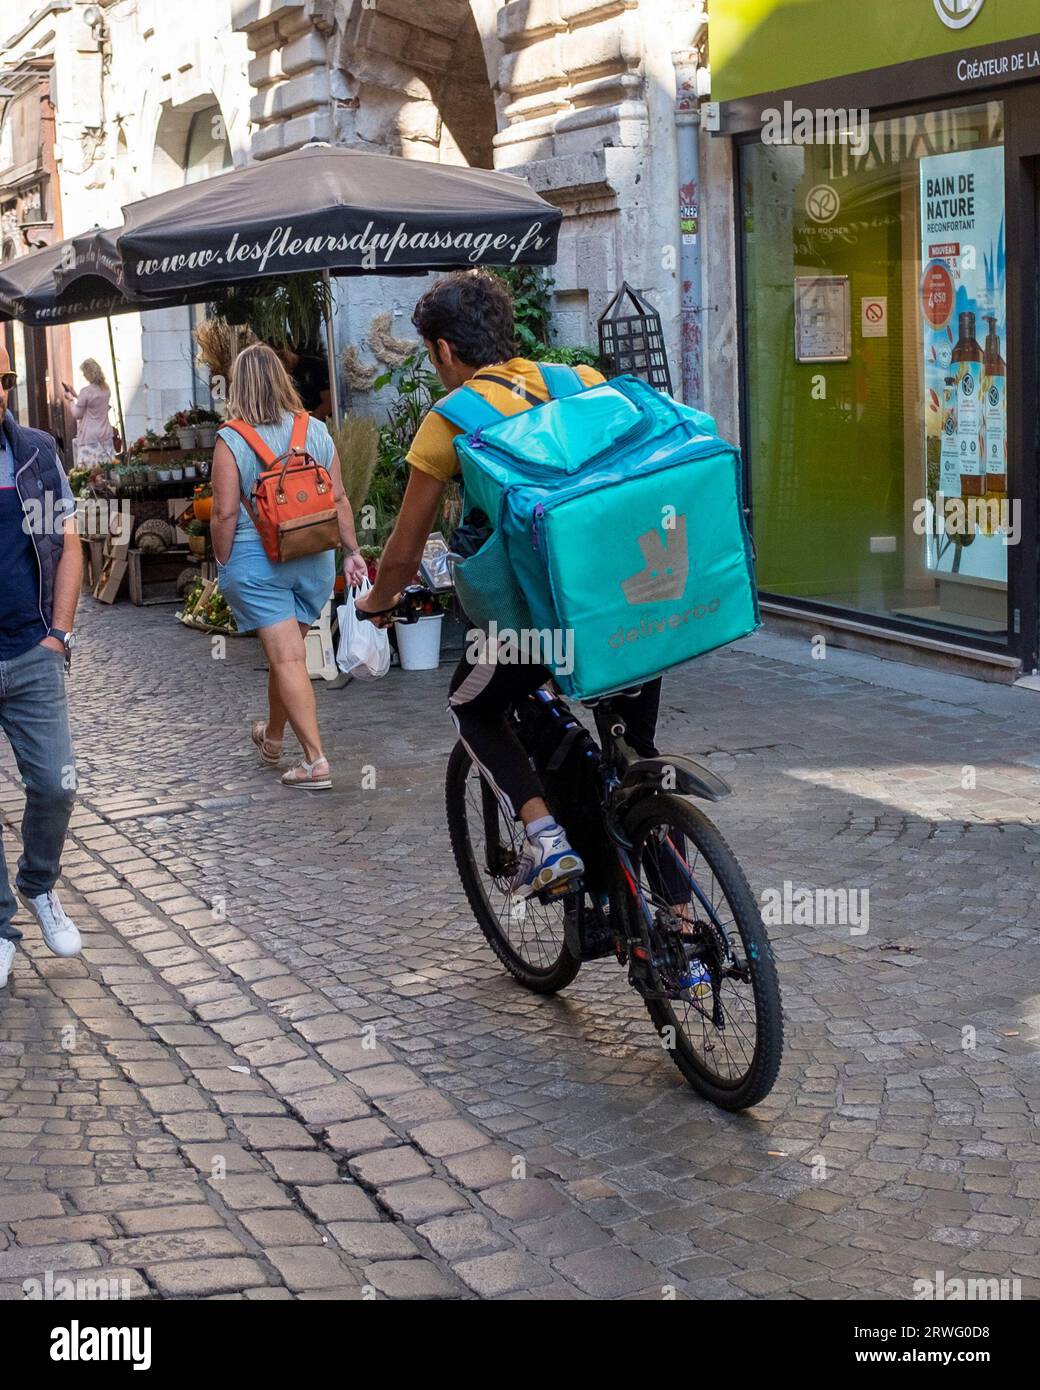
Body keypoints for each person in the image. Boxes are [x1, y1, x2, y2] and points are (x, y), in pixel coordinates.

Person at [357, 271, 663, 899]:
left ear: (444, 350)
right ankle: (684, 924)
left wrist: (379, 602)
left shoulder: (451, 421)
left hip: (542, 625)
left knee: (471, 704)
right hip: (629, 601)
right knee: (641, 767)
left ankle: (547, 840)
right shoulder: (579, 382)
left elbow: (404, 549)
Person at [210, 344, 367, 790]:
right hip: (313, 558)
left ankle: (316, 762)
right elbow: (338, 498)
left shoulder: (232, 439)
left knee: (288, 657)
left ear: (237, 386)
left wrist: (222, 563)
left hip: (259, 563)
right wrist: (352, 550)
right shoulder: (314, 429)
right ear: (282, 379)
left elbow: (222, 514)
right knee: (288, 657)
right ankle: (273, 737)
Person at [0, 346, 83, 991]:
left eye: (3, 377)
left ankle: (38, 884)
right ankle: (1, 926)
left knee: (56, 785)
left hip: (32, 650)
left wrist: (59, 633)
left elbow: (67, 543)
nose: (0, 390)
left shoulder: (32, 452)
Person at [62, 358, 115, 466]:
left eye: (84, 373)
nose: (83, 375)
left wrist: (71, 399)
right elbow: (93, 405)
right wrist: (76, 395)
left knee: (90, 473)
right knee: (107, 468)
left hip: (90, 437)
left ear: (89, 373)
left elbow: (77, 414)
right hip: (105, 434)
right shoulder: (106, 389)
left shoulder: (86, 391)